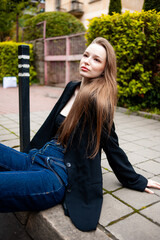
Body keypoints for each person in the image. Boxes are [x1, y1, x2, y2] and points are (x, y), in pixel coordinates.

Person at [0, 37, 160, 232]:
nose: (87, 61)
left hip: (55, 174)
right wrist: (29, 152)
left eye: (96, 60)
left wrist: (135, 180)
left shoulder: (99, 102)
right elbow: (50, 125)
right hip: (36, 158)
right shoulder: (71, 88)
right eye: (86, 55)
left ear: (104, 68)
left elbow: (112, 147)